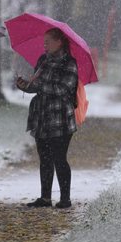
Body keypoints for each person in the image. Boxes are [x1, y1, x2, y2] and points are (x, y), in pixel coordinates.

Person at [16, 27, 78, 209]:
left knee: (59, 157)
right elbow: (36, 86)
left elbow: (63, 90)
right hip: (41, 117)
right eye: (44, 42)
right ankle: (45, 198)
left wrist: (41, 85)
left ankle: (65, 198)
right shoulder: (43, 61)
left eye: (48, 42)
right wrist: (24, 85)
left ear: (59, 42)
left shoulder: (69, 63)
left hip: (60, 119)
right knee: (44, 158)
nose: (44, 45)